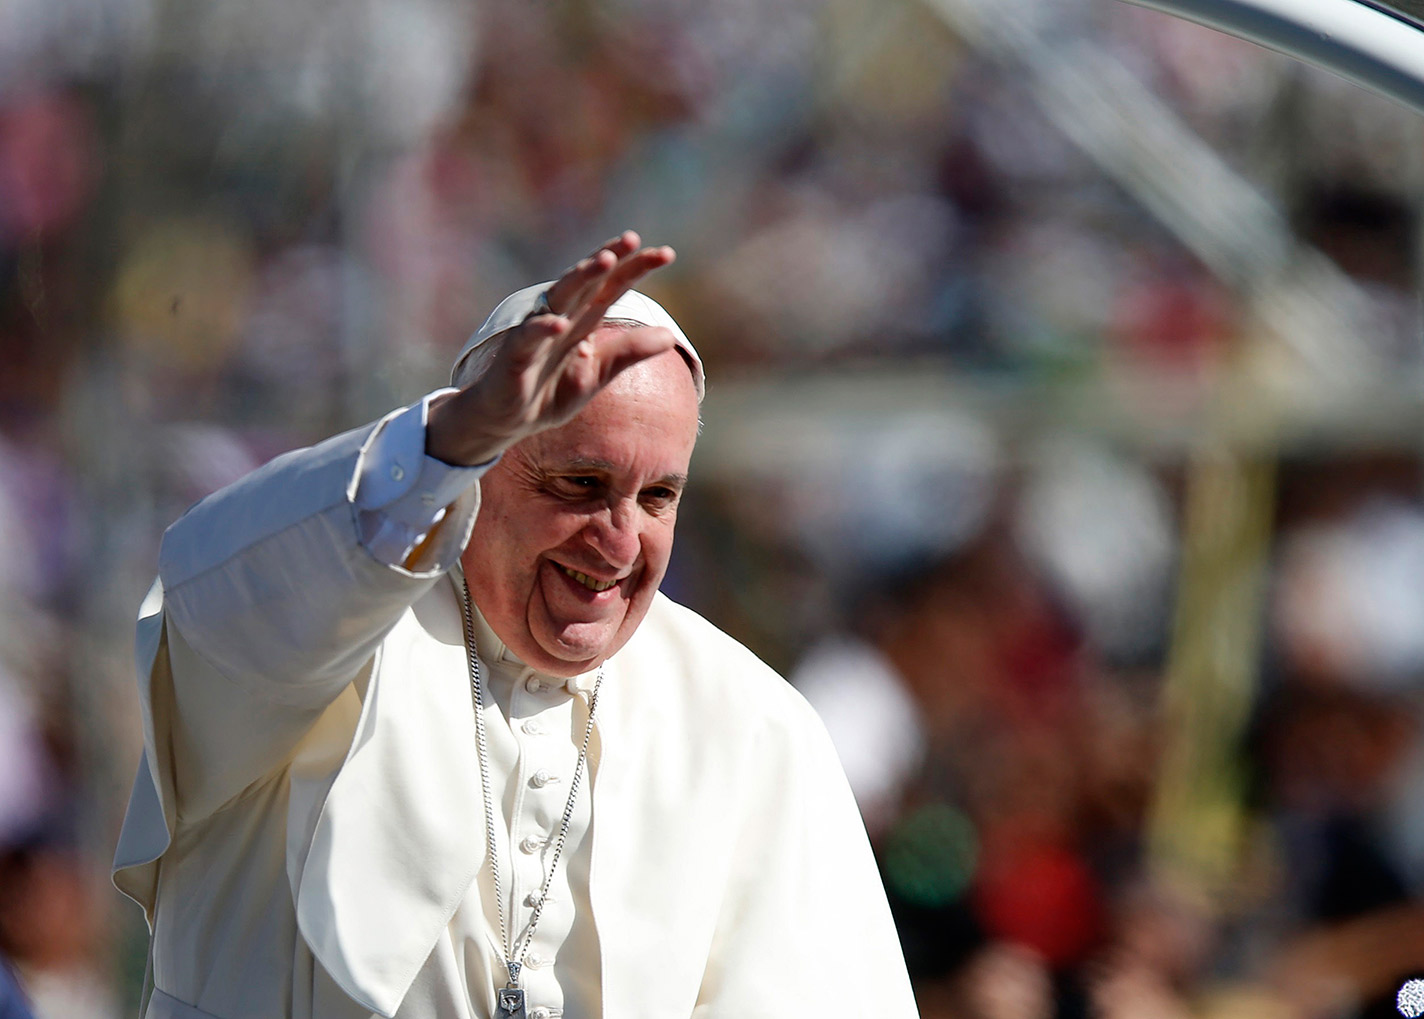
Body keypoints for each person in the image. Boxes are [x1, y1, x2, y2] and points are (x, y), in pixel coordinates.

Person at [112, 232, 918, 1019]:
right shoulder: (321, 629)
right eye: (580, 482)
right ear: (483, 468)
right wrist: (450, 437)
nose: (620, 541)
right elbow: (225, 590)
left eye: (658, 497)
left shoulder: (753, 725)